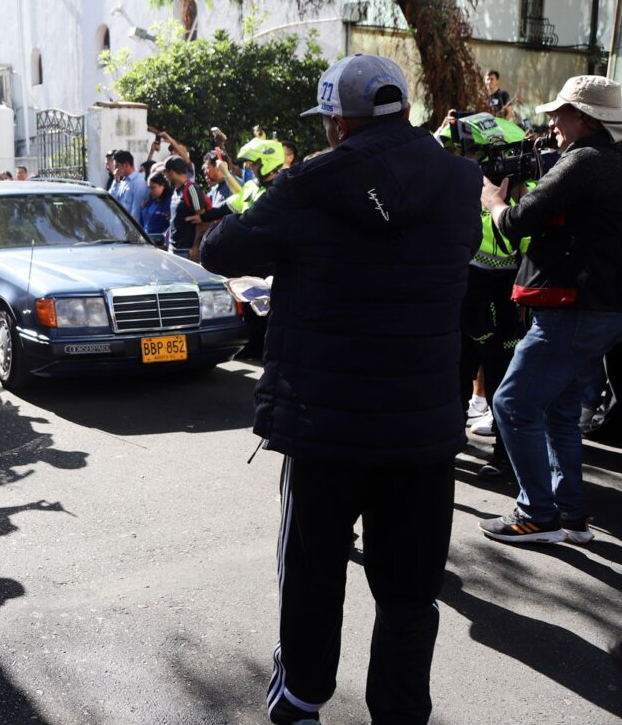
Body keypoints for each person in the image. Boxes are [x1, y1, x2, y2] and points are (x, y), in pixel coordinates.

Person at [200, 54, 481, 725]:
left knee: (313, 570)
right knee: (411, 588)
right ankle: (402, 711)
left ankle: (300, 700)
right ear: (404, 109)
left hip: (326, 427)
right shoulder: (458, 180)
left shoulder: (309, 184)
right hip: (423, 427)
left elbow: (220, 251)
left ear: (335, 122)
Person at [479, 75, 622, 545]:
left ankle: (536, 514)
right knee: (561, 409)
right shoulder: (611, 160)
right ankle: (570, 514)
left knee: (512, 402)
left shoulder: (582, 161)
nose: (552, 122)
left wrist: (495, 201)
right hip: (602, 309)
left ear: (583, 119)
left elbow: (521, 220)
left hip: (572, 308)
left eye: (559, 113)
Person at [163, 156, 209, 261]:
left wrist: (196, 246)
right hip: (173, 249)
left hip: (187, 250)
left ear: (171, 172)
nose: (165, 176)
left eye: (165, 172)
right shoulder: (175, 191)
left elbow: (201, 219)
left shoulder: (191, 188)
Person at [110, 150, 148, 220]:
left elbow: (136, 210)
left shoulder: (138, 182)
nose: (115, 170)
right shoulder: (122, 181)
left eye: (117, 166)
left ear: (126, 165)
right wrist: (116, 181)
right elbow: (112, 200)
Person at [138, 170, 172, 247]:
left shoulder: (169, 204)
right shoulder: (148, 203)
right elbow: (142, 223)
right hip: (146, 242)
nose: (151, 191)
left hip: (160, 244)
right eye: (149, 188)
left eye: (153, 188)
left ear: (162, 186)